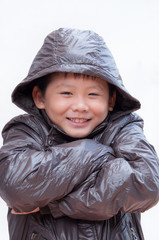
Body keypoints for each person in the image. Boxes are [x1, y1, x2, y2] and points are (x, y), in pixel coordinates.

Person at [0, 28, 159, 240]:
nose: (81, 105)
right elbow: (16, 185)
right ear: (39, 97)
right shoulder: (27, 131)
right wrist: (95, 153)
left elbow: (147, 184)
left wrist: (53, 202)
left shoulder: (124, 128)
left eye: (93, 94)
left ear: (111, 100)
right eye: (67, 93)